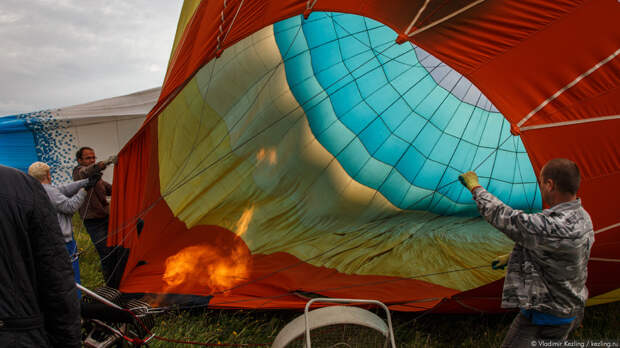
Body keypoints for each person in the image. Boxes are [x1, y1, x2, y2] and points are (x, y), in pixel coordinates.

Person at [459, 158, 593, 347]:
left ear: (549, 184)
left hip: (544, 314)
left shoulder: (550, 226)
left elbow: (504, 217)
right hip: (572, 309)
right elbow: (557, 250)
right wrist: (513, 257)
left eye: (541, 182)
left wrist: (476, 188)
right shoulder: (583, 217)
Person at [0, 164, 81, 347]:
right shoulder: (20, 185)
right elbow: (56, 281)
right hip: (17, 332)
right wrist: (68, 340)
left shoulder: (21, 186)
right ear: (48, 174)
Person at [28, 161, 100, 297]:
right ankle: (76, 307)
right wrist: (85, 190)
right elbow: (70, 206)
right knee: (72, 278)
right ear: (48, 175)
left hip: (50, 241)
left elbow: (64, 189)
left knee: (58, 279)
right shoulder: (49, 191)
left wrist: (86, 181)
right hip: (64, 242)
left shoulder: (37, 190)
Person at [72, 146, 116, 285]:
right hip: (93, 222)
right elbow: (87, 171)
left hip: (106, 217)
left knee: (116, 249)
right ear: (79, 160)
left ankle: (119, 281)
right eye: (88, 158)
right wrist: (106, 163)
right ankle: (111, 285)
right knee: (106, 254)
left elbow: (112, 189)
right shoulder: (79, 173)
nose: (92, 160)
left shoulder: (97, 178)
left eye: (93, 157)